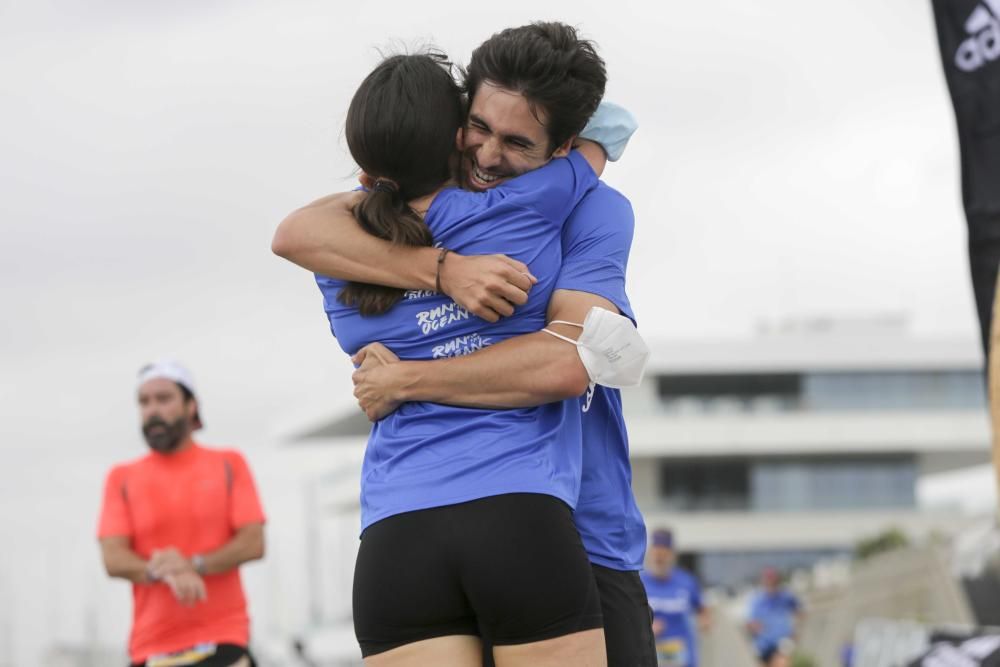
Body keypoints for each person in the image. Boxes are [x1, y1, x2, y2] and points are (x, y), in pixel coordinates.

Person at [273, 22, 655, 666]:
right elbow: (295, 231)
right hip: (520, 521)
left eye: (515, 142)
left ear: (561, 145)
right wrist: (445, 270)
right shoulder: (492, 211)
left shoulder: (592, 211)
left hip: (584, 536)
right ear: (454, 122)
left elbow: (565, 363)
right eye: (478, 128)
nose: (486, 154)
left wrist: (406, 380)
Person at [97, 360, 266, 667]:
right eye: (144, 401)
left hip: (224, 639)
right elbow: (113, 558)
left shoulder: (229, 464)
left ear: (191, 406)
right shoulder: (121, 478)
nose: (152, 410)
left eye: (164, 398)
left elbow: (253, 542)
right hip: (151, 647)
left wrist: (193, 564)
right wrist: (164, 570)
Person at [640, 529, 710, 667]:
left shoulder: (687, 581)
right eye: (657, 554)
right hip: (651, 657)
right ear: (650, 554)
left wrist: (704, 622)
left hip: (683, 658)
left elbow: (703, 610)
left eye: (664, 554)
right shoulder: (639, 582)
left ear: (672, 555)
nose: (660, 558)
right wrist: (647, 628)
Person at [746, 567, 803, 667]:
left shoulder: (786, 596)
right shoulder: (758, 600)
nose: (771, 584)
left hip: (783, 641)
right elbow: (751, 622)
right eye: (768, 581)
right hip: (764, 644)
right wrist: (756, 628)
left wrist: (796, 629)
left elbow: (799, 611)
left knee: (782, 663)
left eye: (773, 581)